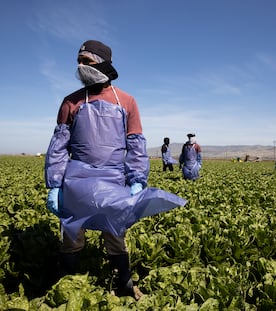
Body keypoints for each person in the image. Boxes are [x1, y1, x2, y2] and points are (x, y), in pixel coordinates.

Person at [44, 40, 186, 299]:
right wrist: (55, 185)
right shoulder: (70, 102)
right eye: (78, 61)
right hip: (77, 180)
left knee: (115, 233)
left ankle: (124, 283)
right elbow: (58, 147)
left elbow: (136, 144)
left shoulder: (127, 102)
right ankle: (68, 285)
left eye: (86, 61)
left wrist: (137, 180)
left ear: (102, 62)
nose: (80, 66)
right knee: (71, 234)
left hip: (113, 179)